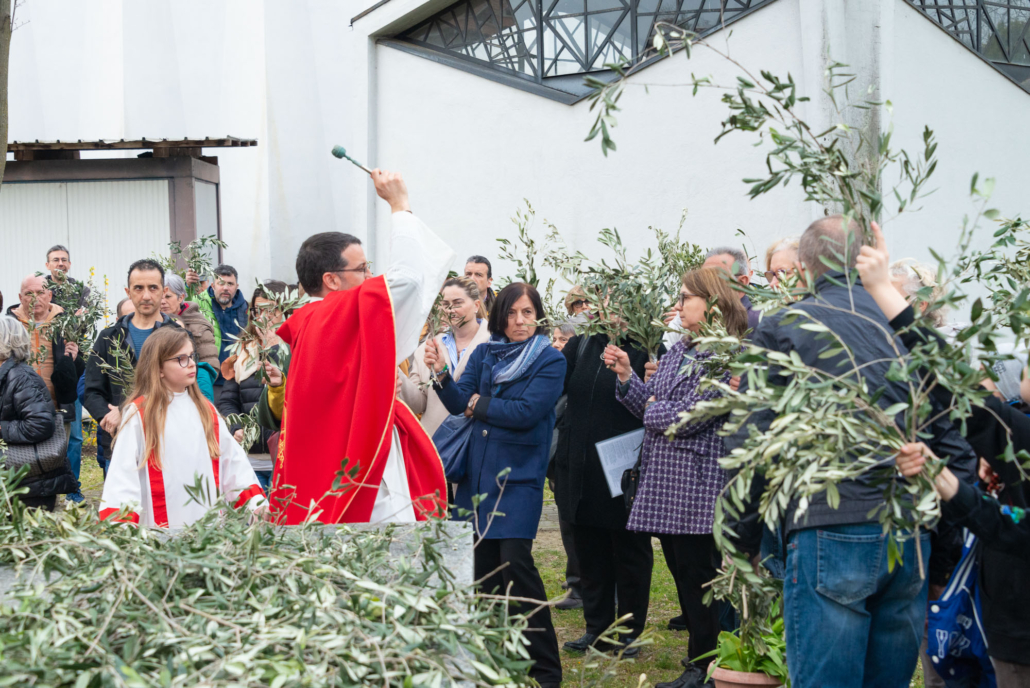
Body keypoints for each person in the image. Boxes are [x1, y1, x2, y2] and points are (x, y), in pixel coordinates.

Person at [727, 216, 978, 688]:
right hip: (909, 534)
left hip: (831, 525)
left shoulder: (786, 325)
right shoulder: (908, 331)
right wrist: (941, 558)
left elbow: (753, 439)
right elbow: (954, 445)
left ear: (805, 267)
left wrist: (742, 538)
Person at [857, 223, 1030, 687]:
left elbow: (959, 392)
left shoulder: (1019, 439)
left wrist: (883, 290)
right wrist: (945, 481)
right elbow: (1009, 526)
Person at [260, 169, 452, 526]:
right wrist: (399, 206)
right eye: (363, 268)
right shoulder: (336, 316)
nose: (371, 278)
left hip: (333, 471)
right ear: (331, 280)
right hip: (362, 477)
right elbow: (408, 280)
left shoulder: (314, 322)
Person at [605, 267, 747, 688]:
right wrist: (627, 377)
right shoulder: (681, 349)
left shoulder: (725, 355)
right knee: (685, 576)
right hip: (668, 483)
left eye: (687, 297)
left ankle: (705, 667)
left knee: (700, 578)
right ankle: (701, 662)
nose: (679, 305)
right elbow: (652, 408)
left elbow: (691, 416)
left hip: (697, 484)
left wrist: (654, 408)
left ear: (712, 304)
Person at [428, 281, 566, 688]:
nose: (520, 321)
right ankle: (492, 662)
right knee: (481, 574)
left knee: (517, 568)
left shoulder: (550, 359)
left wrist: (477, 404)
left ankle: (545, 671)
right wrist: (441, 374)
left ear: (538, 315)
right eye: (512, 313)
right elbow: (458, 402)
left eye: (528, 312)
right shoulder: (486, 352)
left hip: (518, 478)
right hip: (476, 477)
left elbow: (526, 412)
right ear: (500, 316)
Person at [556, 317, 667, 656]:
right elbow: (556, 385)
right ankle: (597, 628)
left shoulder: (648, 346)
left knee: (629, 551)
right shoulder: (583, 344)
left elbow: (657, 403)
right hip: (580, 465)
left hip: (623, 470)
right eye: (600, 296)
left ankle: (629, 632)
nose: (605, 305)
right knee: (588, 550)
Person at [98, 327, 266, 526]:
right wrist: (120, 528)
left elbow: (233, 464)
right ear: (158, 368)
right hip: (157, 531)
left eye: (192, 356)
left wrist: (256, 506)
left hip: (208, 529)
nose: (192, 364)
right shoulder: (139, 414)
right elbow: (123, 477)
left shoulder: (206, 410)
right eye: (181, 359)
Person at [84, 259, 182, 462]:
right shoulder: (108, 338)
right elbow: (92, 390)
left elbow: (182, 389)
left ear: (163, 291)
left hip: (166, 441)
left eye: (153, 288)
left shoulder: (178, 338)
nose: (146, 295)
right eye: (138, 288)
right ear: (128, 292)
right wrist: (107, 417)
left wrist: (126, 412)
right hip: (119, 442)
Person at [7, 276, 85, 501]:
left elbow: (80, 367)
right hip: (19, 405)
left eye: (40, 293)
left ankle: (65, 493)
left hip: (58, 401)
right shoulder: (10, 324)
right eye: (28, 294)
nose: (35, 299)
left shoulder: (65, 322)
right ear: (20, 297)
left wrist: (75, 358)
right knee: (21, 455)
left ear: (50, 295)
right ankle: (22, 498)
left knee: (61, 450)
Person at [217, 281, 291, 493]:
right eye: (258, 310)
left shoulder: (296, 347)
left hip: (285, 457)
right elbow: (227, 400)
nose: (263, 317)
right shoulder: (243, 351)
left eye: (271, 311)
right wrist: (235, 426)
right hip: (249, 459)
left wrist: (274, 348)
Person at [0, 317, 78, 510]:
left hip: (29, 487)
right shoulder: (7, 375)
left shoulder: (22, 378)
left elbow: (40, 424)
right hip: (17, 483)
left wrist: (2, 428)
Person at [399, 277, 490, 438]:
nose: (450, 309)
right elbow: (418, 404)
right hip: (436, 443)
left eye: (457, 303)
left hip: (475, 441)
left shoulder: (494, 343)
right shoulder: (428, 348)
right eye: (445, 304)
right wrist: (394, 370)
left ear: (476, 305)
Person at [43, 245, 90, 504]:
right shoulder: (40, 289)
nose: (60, 263)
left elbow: (84, 328)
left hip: (72, 367)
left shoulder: (81, 291)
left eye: (64, 260)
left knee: (74, 435)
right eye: (55, 260)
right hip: (45, 369)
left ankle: (73, 488)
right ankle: (46, 487)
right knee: (44, 430)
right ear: (47, 265)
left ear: (69, 264)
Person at [189, 264, 248, 399]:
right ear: (213, 285)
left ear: (236, 286)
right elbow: (182, 307)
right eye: (221, 283)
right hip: (210, 380)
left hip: (237, 381)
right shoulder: (199, 303)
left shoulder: (245, 309)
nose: (225, 288)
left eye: (230, 284)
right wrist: (188, 286)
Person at [162, 274, 220, 403]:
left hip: (192, 393)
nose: (163, 301)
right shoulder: (153, 323)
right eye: (160, 297)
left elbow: (210, 364)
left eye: (168, 296)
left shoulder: (198, 325)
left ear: (181, 297)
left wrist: (195, 392)